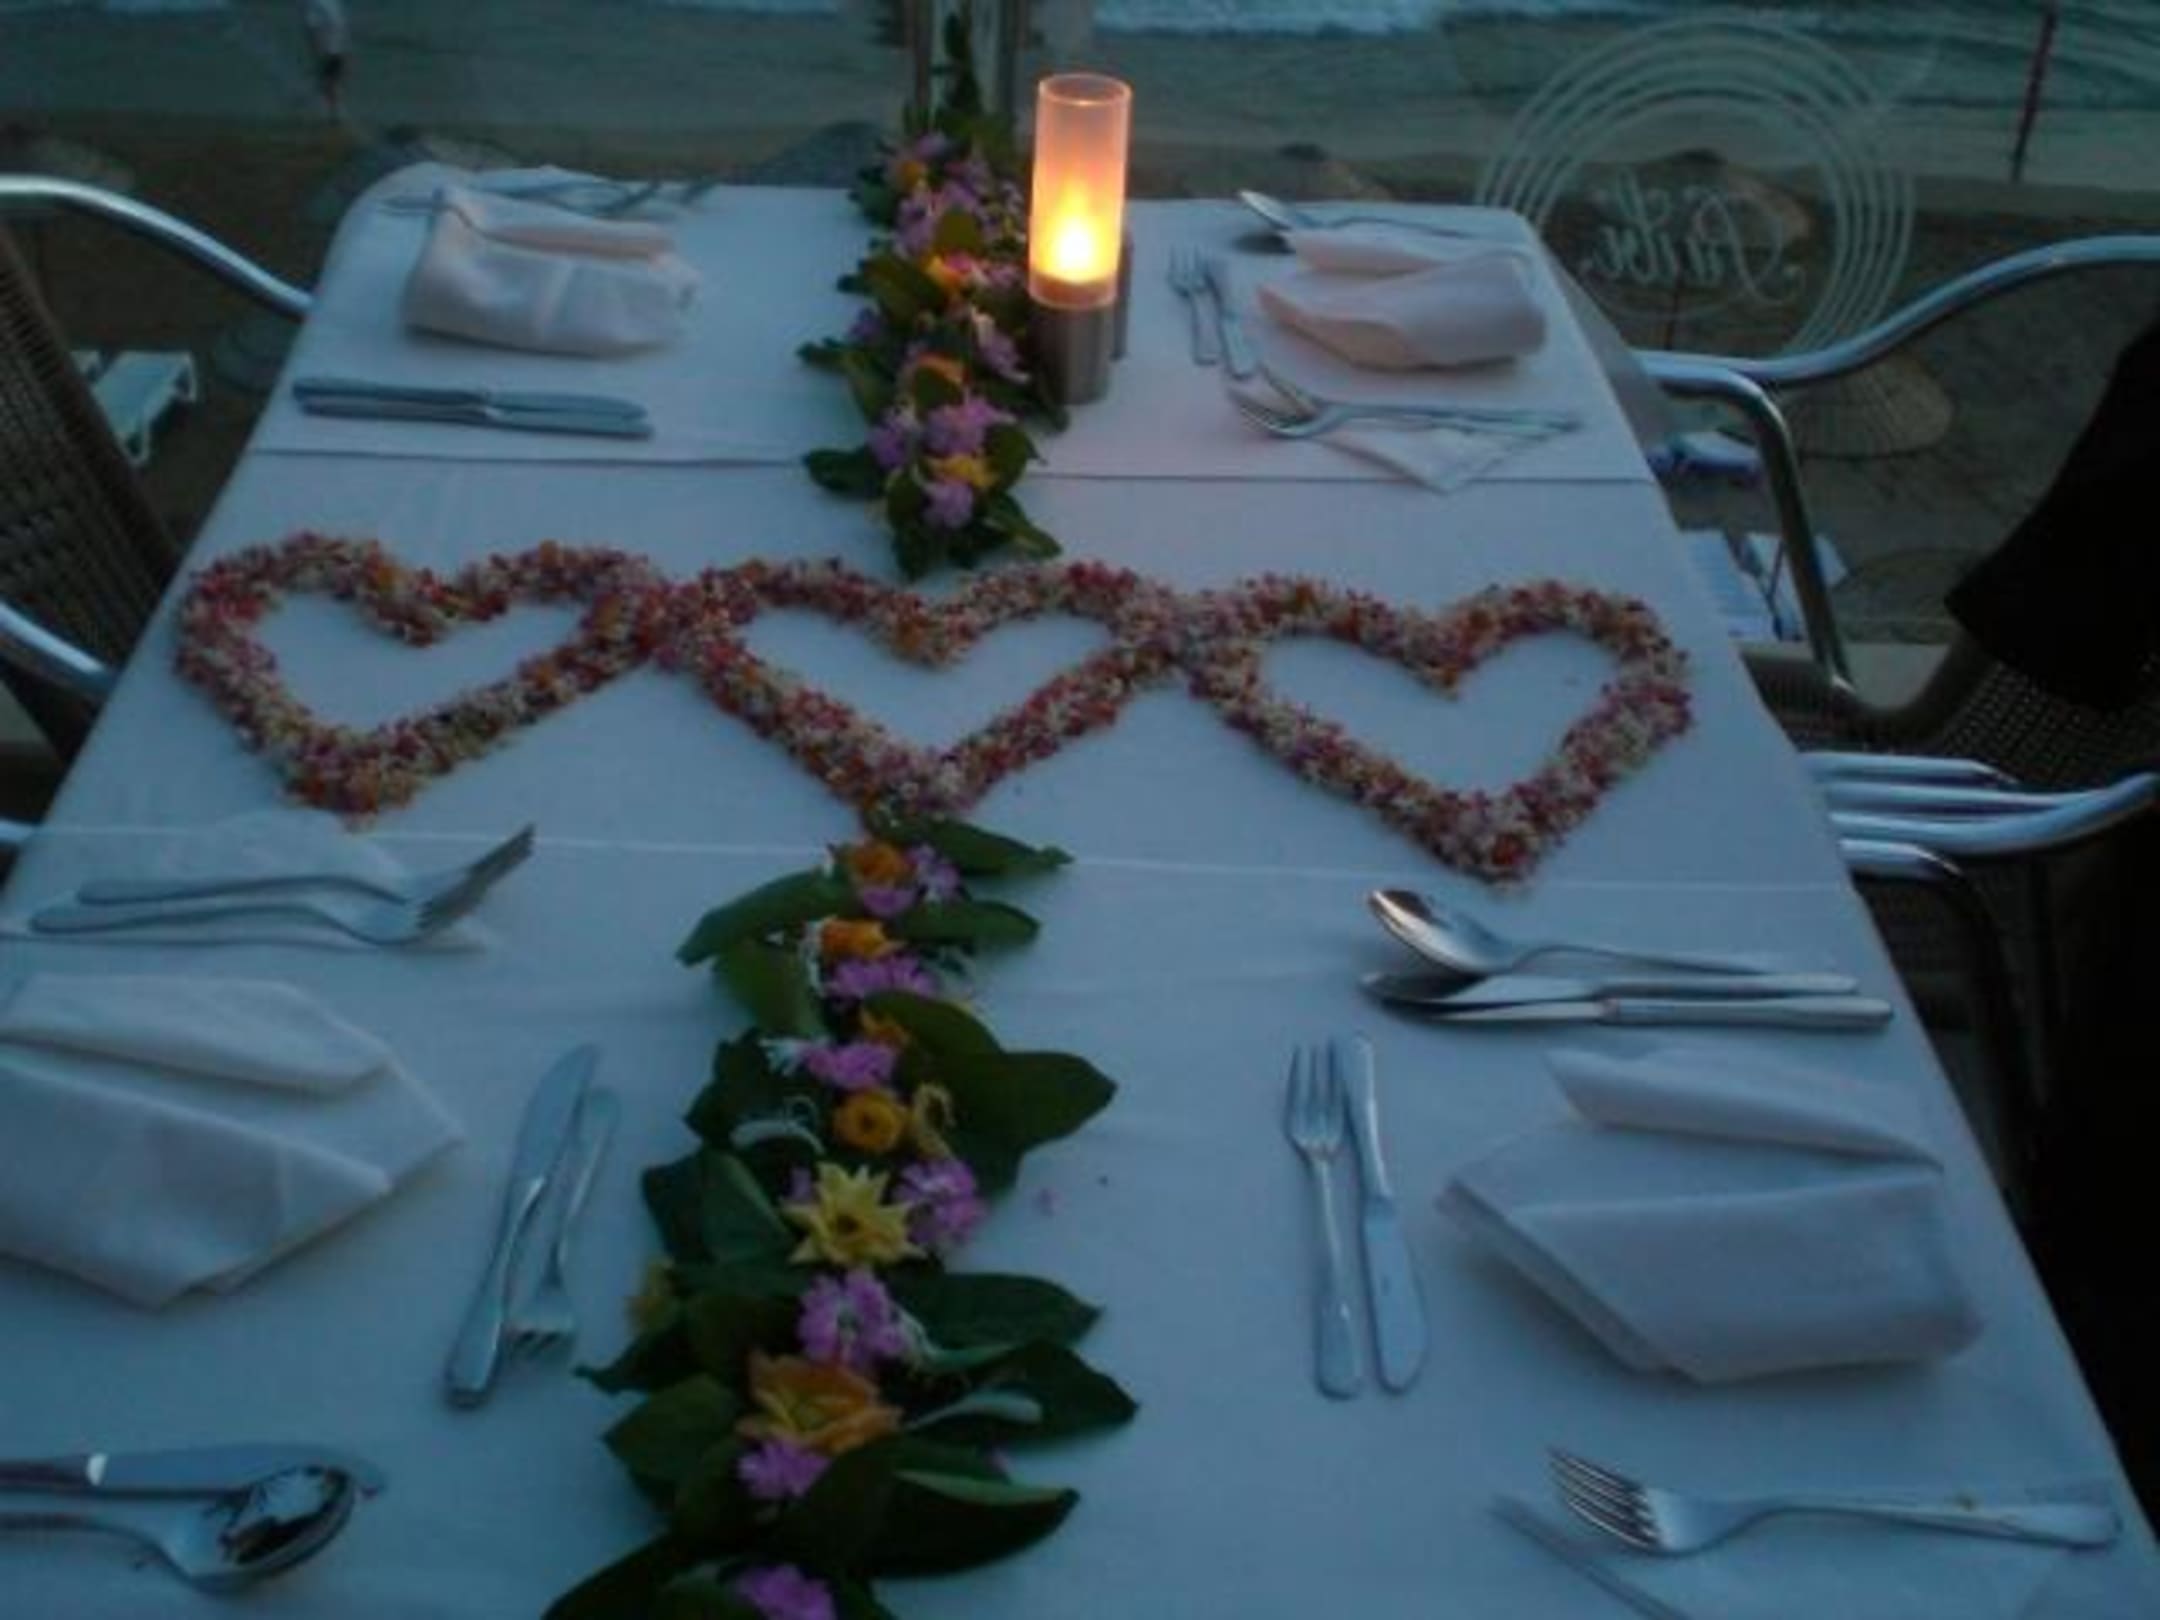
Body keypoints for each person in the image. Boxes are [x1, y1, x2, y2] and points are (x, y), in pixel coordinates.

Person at [303, 0, 351, 120]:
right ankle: (335, 113)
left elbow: (313, 27)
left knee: (330, 79)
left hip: (331, 44)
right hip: (333, 43)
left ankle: (334, 114)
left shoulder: (316, 5)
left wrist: (316, 51)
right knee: (331, 79)